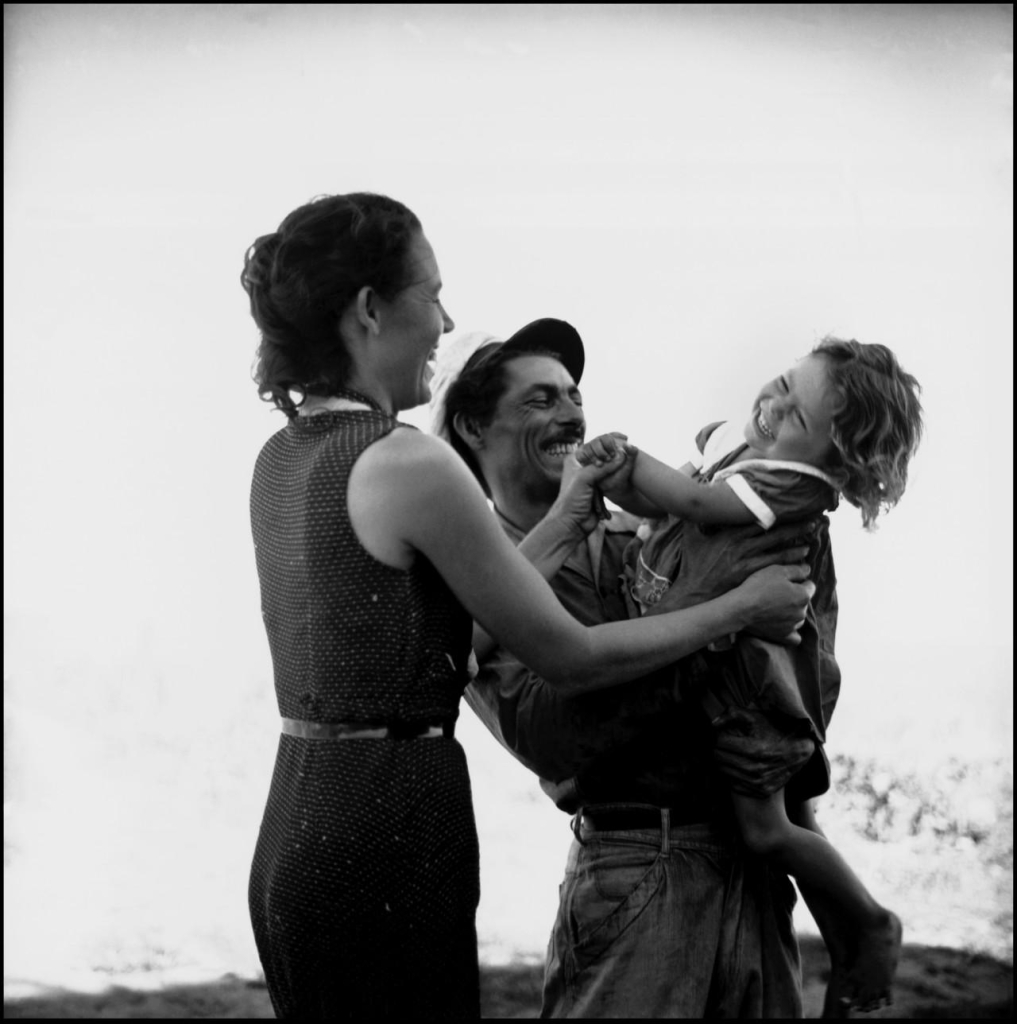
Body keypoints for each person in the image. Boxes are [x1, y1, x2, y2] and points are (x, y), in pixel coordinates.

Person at [239, 193, 814, 1020]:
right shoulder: (408, 460)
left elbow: (440, 627)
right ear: (368, 310)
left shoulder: (283, 457)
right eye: (430, 294)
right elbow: (566, 655)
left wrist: (554, 523)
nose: (443, 321)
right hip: (388, 822)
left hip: (300, 815)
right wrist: (740, 607)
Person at [429, 323, 824, 1018]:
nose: (570, 415)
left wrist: (835, 902)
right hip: (638, 867)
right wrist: (726, 616)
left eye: (574, 395)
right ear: (470, 425)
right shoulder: (471, 584)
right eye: (539, 400)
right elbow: (552, 735)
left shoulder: (653, 535)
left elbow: (790, 693)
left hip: (753, 870)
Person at [577, 337, 923, 1013]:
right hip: (730, 672)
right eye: (781, 384)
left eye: (796, 415)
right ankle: (845, 932)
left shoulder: (790, 487)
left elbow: (696, 505)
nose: (771, 405)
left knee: (767, 827)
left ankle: (868, 920)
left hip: (749, 694)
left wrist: (626, 461)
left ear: (835, 455)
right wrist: (634, 497)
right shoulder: (748, 452)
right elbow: (676, 501)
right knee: (786, 816)